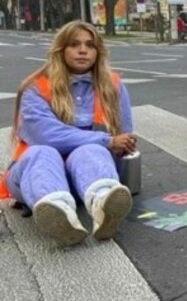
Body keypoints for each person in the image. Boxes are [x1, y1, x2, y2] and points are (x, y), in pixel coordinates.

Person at [0, 21, 136, 246]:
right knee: (42, 152)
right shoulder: (35, 87)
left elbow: (124, 134)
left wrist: (125, 144)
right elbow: (46, 136)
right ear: (60, 49)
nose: (83, 50)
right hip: (35, 176)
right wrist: (108, 141)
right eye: (74, 44)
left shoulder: (113, 85)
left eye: (90, 45)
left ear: (97, 52)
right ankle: (58, 213)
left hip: (87, 177)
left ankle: (104, 204)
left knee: (90, 150)